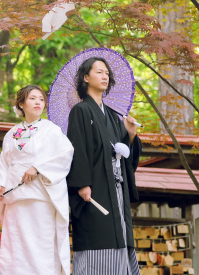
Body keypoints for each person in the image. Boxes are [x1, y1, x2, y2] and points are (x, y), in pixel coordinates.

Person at [66, 57, 142, 275]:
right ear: (86, 77)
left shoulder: (111, 115)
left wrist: (130, 134)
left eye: (107, 73)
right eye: (99, 72)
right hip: (95, 187)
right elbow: (78, 147)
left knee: (120, 232)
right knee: (98, 233)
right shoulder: (81, 111)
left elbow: (124, 152)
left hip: (116, 186)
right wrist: (82, 183)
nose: (105, 76)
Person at [0, 85, 74, 275]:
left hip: (39, 197)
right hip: (14, 197)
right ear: (21, 104)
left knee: (40, 246)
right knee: (14, 248)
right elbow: (4, 162)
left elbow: (66, 153)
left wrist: (38, 168)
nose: (38, 102)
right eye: (32, 98)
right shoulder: (11, 133)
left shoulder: (51, 129)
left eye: (41, 99)